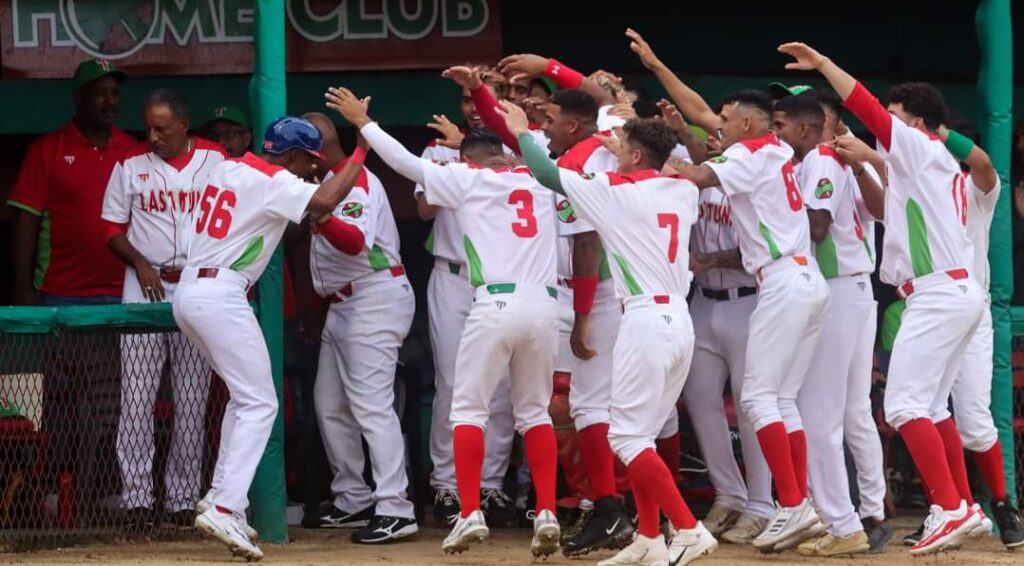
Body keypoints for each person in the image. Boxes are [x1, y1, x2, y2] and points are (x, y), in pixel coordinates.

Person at [326, 86, 563, 560]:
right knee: (534, 412)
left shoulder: (468, 179)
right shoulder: (543, 181)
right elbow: (543, 154)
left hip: (493, 303)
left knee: (467, 410)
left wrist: (364, 124)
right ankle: (547, 513)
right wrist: (518, 126)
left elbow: (404, 164)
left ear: (470, 160)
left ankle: (470, 510)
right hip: (546, 306)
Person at [778, 41, 987, 555]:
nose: (883, 123)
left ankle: (950, 507)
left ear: (916, 124)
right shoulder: (929, 160)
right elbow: (893, 177)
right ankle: (962, 506)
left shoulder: (917, 145)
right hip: (956, 289)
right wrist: (868, 154)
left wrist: (825, 65)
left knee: (903, 404)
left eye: (895, 118)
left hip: (937, 291)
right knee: (931, 406)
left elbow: (865, 105)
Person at [630, 28, 829, 551]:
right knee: (781, 401)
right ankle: (796, 503)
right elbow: (698, 113)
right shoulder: (774, 148)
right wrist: (656, 64)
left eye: (725, 122)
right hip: (805, 277)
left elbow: (697, 174)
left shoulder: (745, 155)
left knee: (759, 400)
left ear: (743, 123)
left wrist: (660, 165)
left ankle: (788, 503)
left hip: (778, 282)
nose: (716, 127)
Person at [505, 102, 717, 565]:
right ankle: (649, 539)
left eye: (622, 148)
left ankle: (685, 526)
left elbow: (545, 172)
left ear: (637, 156)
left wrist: (522, 131)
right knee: (641, 432)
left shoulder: (614, 190)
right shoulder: (681, 187)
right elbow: (670, 167)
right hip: (679, 320)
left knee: (626, 438)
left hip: (644, 320)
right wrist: (629, 147)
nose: (615, 153)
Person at [180, 113, 367, 561]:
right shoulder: (274, 180)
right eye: (308, 161)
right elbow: (323, 203)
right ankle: (226, 504)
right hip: (220, 293)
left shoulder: (225, 167)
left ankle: (223, 497)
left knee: (244, 398)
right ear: (294, 155)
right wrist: (361, 151)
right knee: (261, 402)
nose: (310, 169)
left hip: (191, 290)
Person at [7, 58, 135, 512]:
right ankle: (51, 491)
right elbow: (25, 222)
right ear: (79, 98)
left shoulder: (132, 151)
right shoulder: (47, 148)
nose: (110, 101)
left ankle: (103, 489)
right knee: (59, 403)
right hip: (59, 295)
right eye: (100, 93)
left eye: (115, 93)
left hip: (120, 295)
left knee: (113, 403)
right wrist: (24, 291)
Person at [101, 89, 225, 531]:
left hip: (196, 284)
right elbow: (112, 229)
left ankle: (181, 498)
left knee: (193, 398)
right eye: (148, 127)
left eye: (162, 128)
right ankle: (137, 498)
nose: (151, 136)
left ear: (184, 126)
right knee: (137, 396)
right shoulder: (130, 166)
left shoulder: (215, 160)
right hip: (144, 283)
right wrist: (138, 261)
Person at [306, 115, 419, 544]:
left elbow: (354, 242)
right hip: (343, 303)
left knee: (372, 406)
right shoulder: (331, 181)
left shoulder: (355, 182)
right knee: (330, 404)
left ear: (317, 150)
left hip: (373, 297)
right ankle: (353, 497)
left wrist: (320, 218)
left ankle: (396, 507)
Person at [771, 94, 876, 556]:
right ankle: (857, 514)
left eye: (785, 120)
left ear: (817, 124)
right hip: (851, 289)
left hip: (836, 289)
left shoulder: (822, 158)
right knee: (845, 413)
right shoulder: (828, 159)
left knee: (818, 416)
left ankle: (841, 522)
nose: (779, 129)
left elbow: (815, 227)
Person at [421, 65, 517, 526]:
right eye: (465, 100)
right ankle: (445, 484)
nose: (471, 107)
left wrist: (491, 158)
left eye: (479, 99)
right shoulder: (439, 150)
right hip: (452, 276)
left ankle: (491, 484)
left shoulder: (517, 149)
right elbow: (423, 209)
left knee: (500, 386)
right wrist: (463, 156)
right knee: (452, 382)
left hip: (499, 280)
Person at [679, 132, 774, 544]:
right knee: (699, 399)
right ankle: (729, 493)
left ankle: (762, 503)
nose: (715, 140)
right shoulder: (695, 189)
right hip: (703, 301)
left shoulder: (751, 185)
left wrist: (709, 259)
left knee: (752, 407)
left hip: (746, 301)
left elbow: (758, 248)